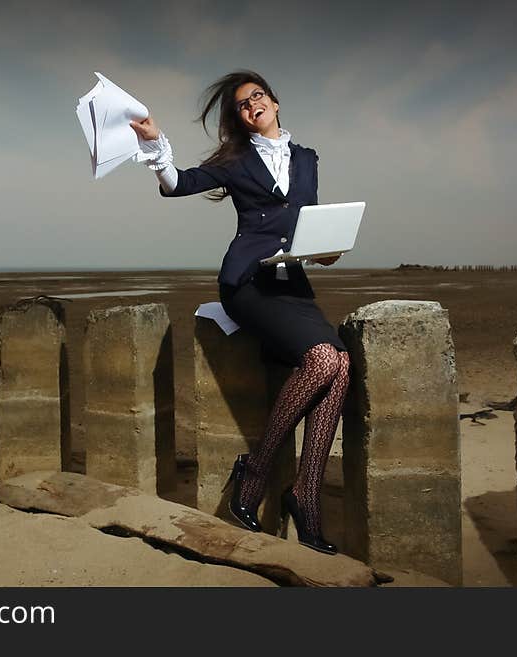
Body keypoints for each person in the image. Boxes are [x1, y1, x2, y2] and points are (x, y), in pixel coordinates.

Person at [130, 70, 349, 555]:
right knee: (323, 361)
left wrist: (323, 250)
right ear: (241, 120)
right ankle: (257, 468)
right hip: (248, 281)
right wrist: (154, 142)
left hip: (291, 282)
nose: (252, 107)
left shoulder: (308, 159)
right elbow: (177, 184)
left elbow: (302, 224)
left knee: (340, 365)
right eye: (243, 106)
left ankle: (305, 495)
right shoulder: (235, 159)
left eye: (257, 97)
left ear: (273, 100)